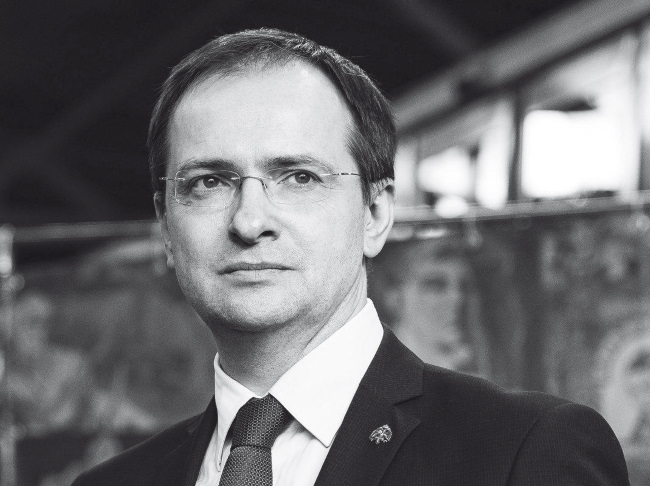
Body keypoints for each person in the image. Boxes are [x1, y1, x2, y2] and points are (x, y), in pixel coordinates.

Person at [73, 28, 629, 485]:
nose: (249, 221)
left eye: (298, 177)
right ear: (167, 227)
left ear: (375, 214)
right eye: (210, 182)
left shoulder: (526, 452)